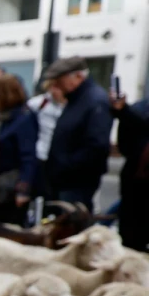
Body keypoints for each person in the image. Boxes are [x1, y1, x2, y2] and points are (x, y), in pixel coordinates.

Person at [42, 57, 113, 212]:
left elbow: (97, 145)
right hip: (65, 179)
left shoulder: (94, 101)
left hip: (76, 181)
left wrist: (66, 165)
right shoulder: (77, 99)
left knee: (73, 221)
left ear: (78, 77)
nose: (56, 86)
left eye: (60, 81)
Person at [0, 75, 38, 225]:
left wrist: (23, 190)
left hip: (12, 188)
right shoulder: (0, 118)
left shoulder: (23, 119)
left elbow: (28, 157)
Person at [112, 89, 149, 251]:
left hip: (136, 182)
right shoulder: (139, 108)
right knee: (130, 239)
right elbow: (124, 145)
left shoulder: (134, 111)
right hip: (135, 184)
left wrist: (125, 112)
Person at [27, 81, 65, 203]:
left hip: (59, 157)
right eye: (52, 87)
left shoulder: (70, 105)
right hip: (41, 154)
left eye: (58, 88)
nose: (55, 91)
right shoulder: (38, 103)